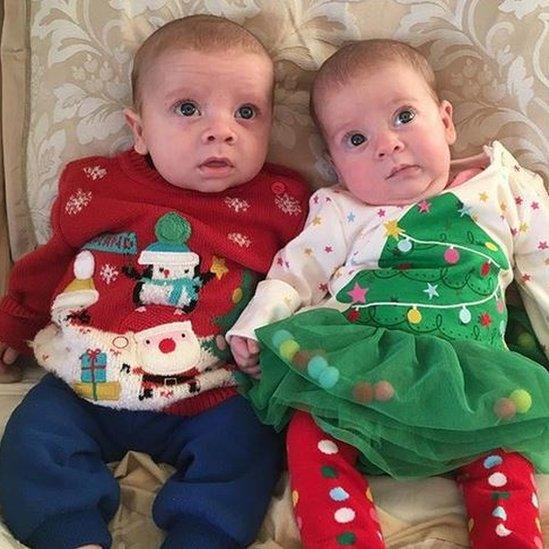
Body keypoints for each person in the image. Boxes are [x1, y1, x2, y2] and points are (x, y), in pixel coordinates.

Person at [0, 14, 310, 549]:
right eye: (187, 109)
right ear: (139, 130)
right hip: (86, 379)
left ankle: (199, 534)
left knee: (248, 446)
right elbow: (53, 263)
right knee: (32, 440)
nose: (221, 129)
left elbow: (305, 281)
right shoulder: (98, 187)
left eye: (247, 111)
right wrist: (13, 322)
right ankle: (71, 534)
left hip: (210, 392)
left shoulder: (281, 203)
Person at [228, 39, 549, 549]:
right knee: (311, 435)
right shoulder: (340, 207)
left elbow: (542, 272)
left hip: (467, 370)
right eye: (355, 139)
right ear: (333, 161)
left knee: (501, 447)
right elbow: (295, 271)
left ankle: (508, 540)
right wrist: (256, 322)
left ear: (445, 121)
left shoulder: (505, 187)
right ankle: (343, 538)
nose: (387, 145)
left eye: (403, 116)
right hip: (357, 363)